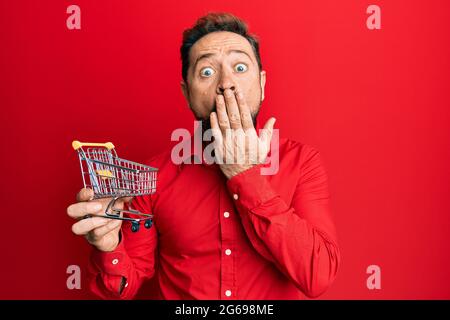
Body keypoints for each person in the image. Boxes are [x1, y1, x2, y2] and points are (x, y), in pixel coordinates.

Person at [67, 12, 340, 299]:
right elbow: (121, 288)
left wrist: (244, 175)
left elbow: (318, 276)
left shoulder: (302, 162)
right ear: (187, 93)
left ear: (262, 84)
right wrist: (110, 245)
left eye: (240, 67)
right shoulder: (154, 177)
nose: (226, 83)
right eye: (207, 72)